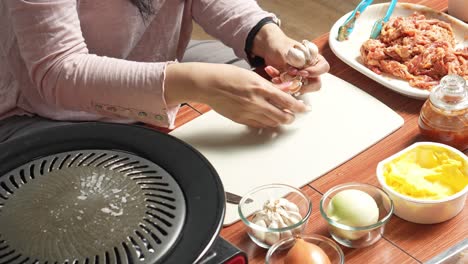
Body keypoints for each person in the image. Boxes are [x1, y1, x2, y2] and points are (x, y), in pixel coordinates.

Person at [0, 0, 330, 142]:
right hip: (40, 111)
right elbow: (58, 71)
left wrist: (267, 38)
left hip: (155, 67)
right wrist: (197, 82)